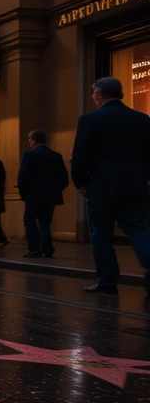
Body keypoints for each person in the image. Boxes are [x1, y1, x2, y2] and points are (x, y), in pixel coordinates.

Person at [70, 76, 150, 295]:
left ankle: (107, 281)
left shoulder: (89, 120)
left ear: (98, 94)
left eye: (93, 93)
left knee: (101, 234)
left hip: (101, 187)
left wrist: (80, 182)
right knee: (138, 228)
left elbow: (79, 156)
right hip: (135, 186)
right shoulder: (142, 120)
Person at [17, 130, 69, 260]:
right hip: (50, 195)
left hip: (33, 195)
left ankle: (34, 249)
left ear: (33, 140)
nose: (29, 141)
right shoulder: (56, 156)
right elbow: (64, 179)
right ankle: (47, 249)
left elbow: (22, 176)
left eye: (29, 139)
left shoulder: (29, 155)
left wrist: (23, 193)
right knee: (45, 222)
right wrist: (55, 190)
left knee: (29, 220)